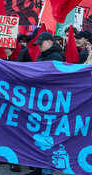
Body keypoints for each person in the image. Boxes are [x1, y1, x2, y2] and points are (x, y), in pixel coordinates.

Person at [26, 32, 65, 175]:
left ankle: (46, 170)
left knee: (48, 138)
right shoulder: (43, 55)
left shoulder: (55, 56)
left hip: (50, 102)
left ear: (50, 42)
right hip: (41, 101)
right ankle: (38, 168)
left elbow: (47, 77)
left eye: (41, 44)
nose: (39, 47)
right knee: (40, 137)